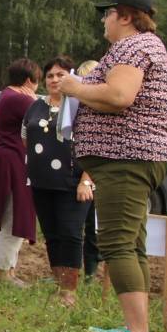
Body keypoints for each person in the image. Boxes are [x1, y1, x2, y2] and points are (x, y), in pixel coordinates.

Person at [60, 0, 167, 332]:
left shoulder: (134, 46)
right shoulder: (141, 48)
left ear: (125, 16)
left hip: (126, 159)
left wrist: (77, 87)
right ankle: (136, 331)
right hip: (129, 158)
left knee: (117, 244)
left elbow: (120, 96)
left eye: (107, 13)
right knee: (132, 243)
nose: (104, 20)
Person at [24, 56, 94, 306]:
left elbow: (95, 146)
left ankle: (69, 292)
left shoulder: (81, 106)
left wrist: (87, 179)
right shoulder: (36, 106)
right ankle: (58, 285)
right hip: (42, 183)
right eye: (51, 75)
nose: (55, 79)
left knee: (71, 234)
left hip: (73, 182)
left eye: (61, 75)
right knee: (52, 235)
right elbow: (26, 138)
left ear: (72, 78)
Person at [0, 58, 41, 287]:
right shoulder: (19, 99)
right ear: (29, 80)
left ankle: (9, 269)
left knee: (14, 216)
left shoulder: (6, 95)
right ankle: (4, 273)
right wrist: (34, 99)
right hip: (13, 163)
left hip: (8, 161)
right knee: (13, 217)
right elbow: (45, 115)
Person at [76, 59, 101, 280]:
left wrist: (86, 179)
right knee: (81, 225)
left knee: (94, 228)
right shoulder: (78, 109)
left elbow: (98, 148)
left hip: (98, 176)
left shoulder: (103, 110)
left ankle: (92, 274)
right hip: (81, 174)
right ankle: (81, 271)